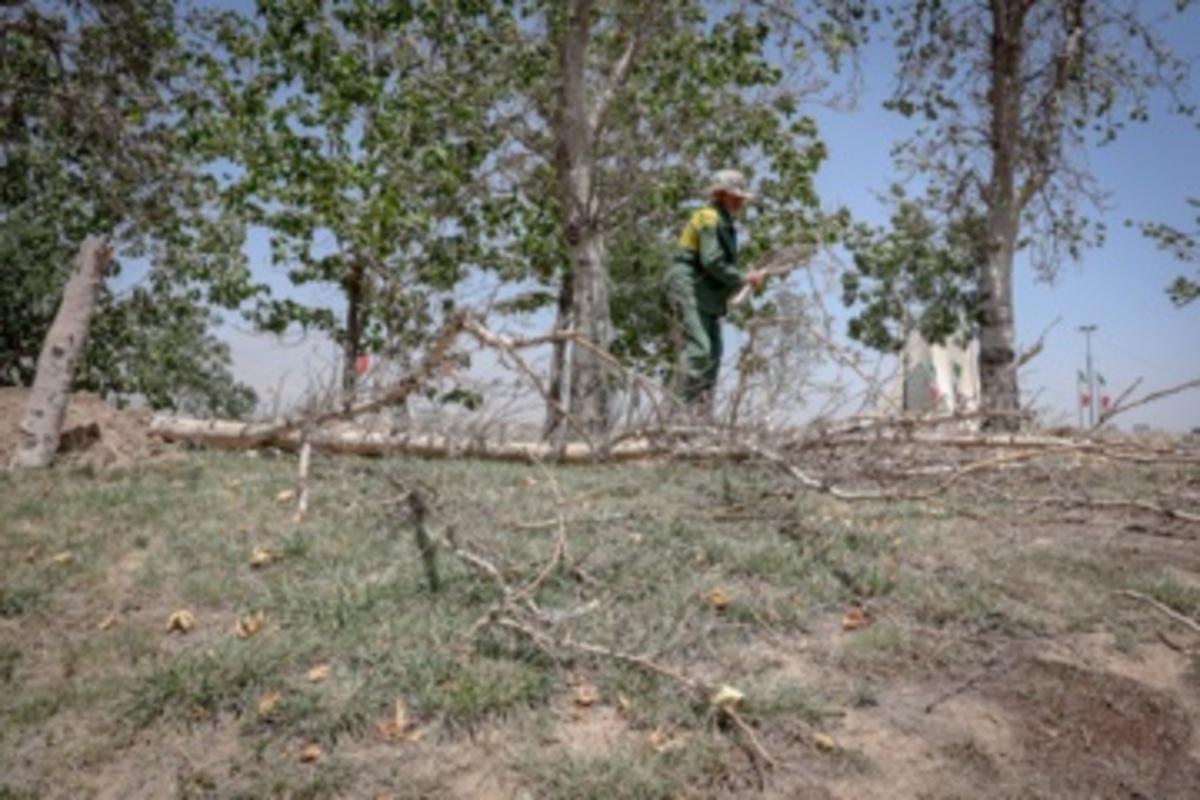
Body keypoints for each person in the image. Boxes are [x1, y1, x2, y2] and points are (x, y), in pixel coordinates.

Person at [663, 169, 767, 412]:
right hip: (689, 285)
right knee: (699, 350)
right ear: (720, 194)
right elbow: (711, 261)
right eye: (734, 196)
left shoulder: (725, 222)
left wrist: (742, 281)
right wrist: (743, 277)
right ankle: (670, 413)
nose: (739, 202)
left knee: (713, 356)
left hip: (707, 294)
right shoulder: (708, 217)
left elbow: (719, 267)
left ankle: (700, 415)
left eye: (741, 198)